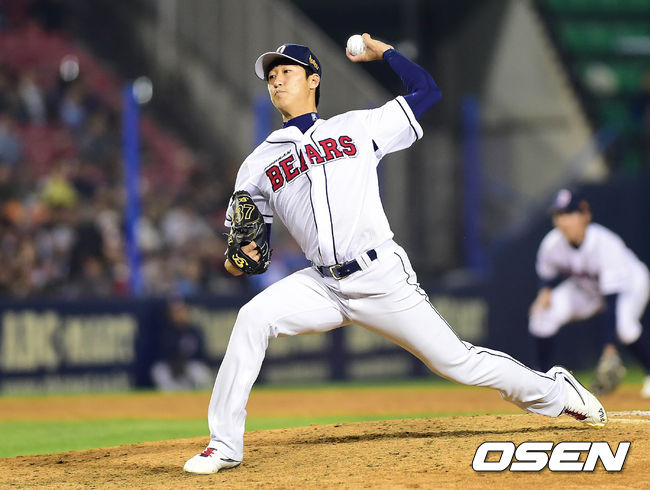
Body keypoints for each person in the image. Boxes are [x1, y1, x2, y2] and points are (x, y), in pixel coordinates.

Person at [184, 34, 607, 475]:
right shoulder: (257, 163)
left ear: (313, 79)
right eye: (271, 75)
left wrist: (383, 52)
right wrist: (237, 259)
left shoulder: (357, 127)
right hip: (322, 284)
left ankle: (556, 392)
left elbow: (427, 91)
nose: (276, 81)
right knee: (253, 317)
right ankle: (224, 444)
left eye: (286, 71)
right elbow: (250, 250)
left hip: (380, 275)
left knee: (458, 363)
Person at [529, 187, 650, 397]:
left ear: (585, 215)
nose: (563, 221)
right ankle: (543, 380)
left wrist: (609, 348)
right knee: (542, 313)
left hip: (630, 285)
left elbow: (610, 301)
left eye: (569, 213)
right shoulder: (551, 244)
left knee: (624, 325)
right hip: (588, 289)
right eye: (559, 215)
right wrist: (545, 290)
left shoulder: (606, 244)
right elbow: (547, 273)